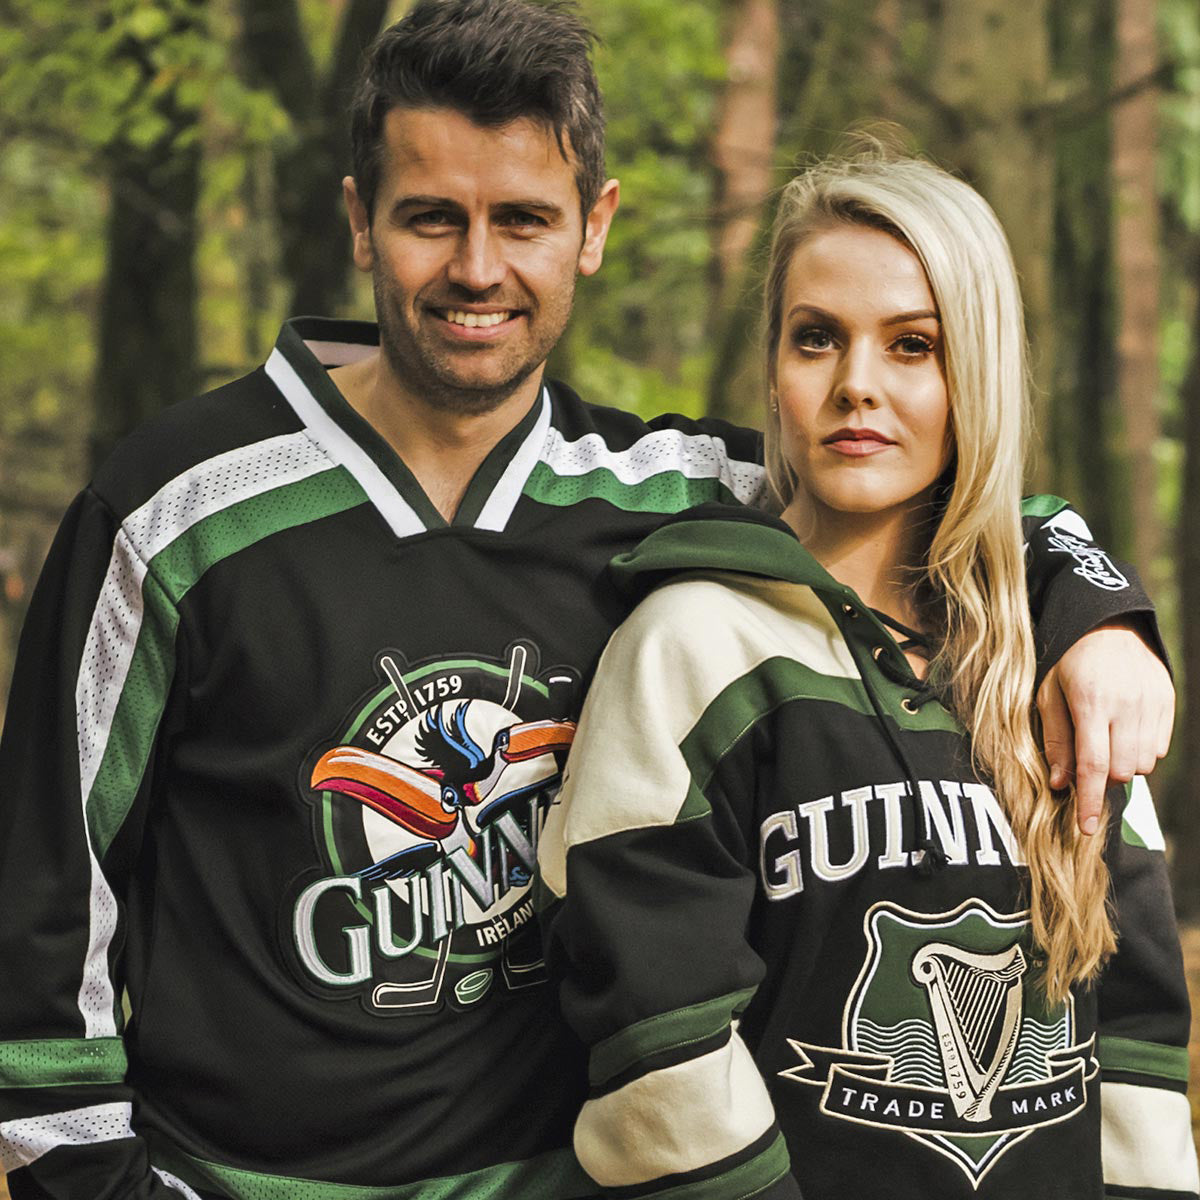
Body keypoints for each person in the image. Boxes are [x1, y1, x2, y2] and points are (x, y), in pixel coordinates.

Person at [0, 3, 1174, 1197]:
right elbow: (44, 898)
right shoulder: (177, 510)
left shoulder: (676, 494)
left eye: (523, 221)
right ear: (359, 221)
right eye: (429, 219)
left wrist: (1101, 614)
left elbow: (919, 485)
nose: (477, 268)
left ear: (593, 228)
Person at [541, 151, 1197, 1199]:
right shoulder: (691, 646)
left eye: (912, 345)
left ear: (972, 370)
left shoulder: (1057, 664)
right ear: (775, 370)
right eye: (817, 339)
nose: (857, 382)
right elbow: (655, 1046)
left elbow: (1142, 1043)